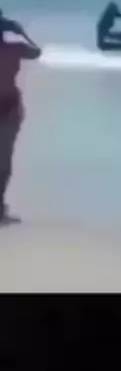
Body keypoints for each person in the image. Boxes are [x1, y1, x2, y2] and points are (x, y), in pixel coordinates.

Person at [0, 16, 41, 223]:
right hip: (9, 108)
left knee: (4, 164)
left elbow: (37, 53)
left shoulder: (14, 49)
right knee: (4, 163)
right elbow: (36, 51)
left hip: (9, 109)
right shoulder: (15, 49)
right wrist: (21, 32)